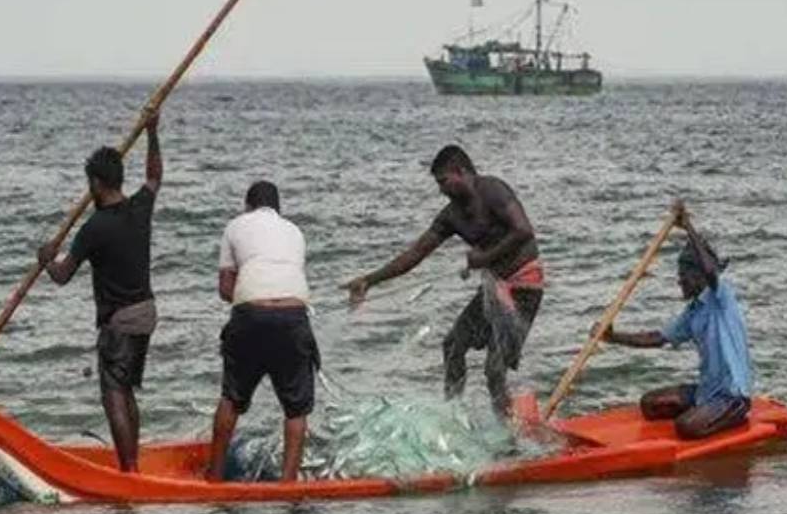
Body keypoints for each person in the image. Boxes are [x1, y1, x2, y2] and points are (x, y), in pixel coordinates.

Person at [345, 144, 543, 415]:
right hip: (494, 288)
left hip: (523, 287)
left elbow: (523, 230)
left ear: (461, 172)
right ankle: (454, 416)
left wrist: (483, 259)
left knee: (494, 370)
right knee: (453, 345)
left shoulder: (493, 189)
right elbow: (415, 253)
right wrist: (369, 280)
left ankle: (509, 436)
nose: (441, 189)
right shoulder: (451, 215)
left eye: (443, 181)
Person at [37, 109, 162, 472]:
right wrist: (153, 133)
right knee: (127, 391)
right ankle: (133, 463)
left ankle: (129, 472)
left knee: (113, 396)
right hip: (146, 313)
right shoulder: (140, 207)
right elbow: (155, 176)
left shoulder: (94, 227)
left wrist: (46, 258)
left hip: (120, 320)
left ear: (95, 183)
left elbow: (62, 276)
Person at [597, 221, 754, 439]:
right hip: (707, 392)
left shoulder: (721, 297)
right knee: (649, 405)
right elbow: (657, 338)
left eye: (684, 274)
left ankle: (733, 418)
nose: (679, 281)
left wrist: (689, 227)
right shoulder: (691, 313)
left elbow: (710, 270)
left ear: (699, 276)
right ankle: (705, 413)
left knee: (686, 427)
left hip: (731, 395)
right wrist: (612, 337)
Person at [206, 181, 318, 482]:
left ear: (248, 206)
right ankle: (288, 485)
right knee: (295, 410)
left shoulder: (235, 226)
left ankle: (213, 478)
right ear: (278, 209)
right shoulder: (295, 231)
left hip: (250, 318)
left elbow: (226, 288)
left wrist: (251, 300)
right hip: (294, 317)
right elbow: (289, 276)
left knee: (231, 397)